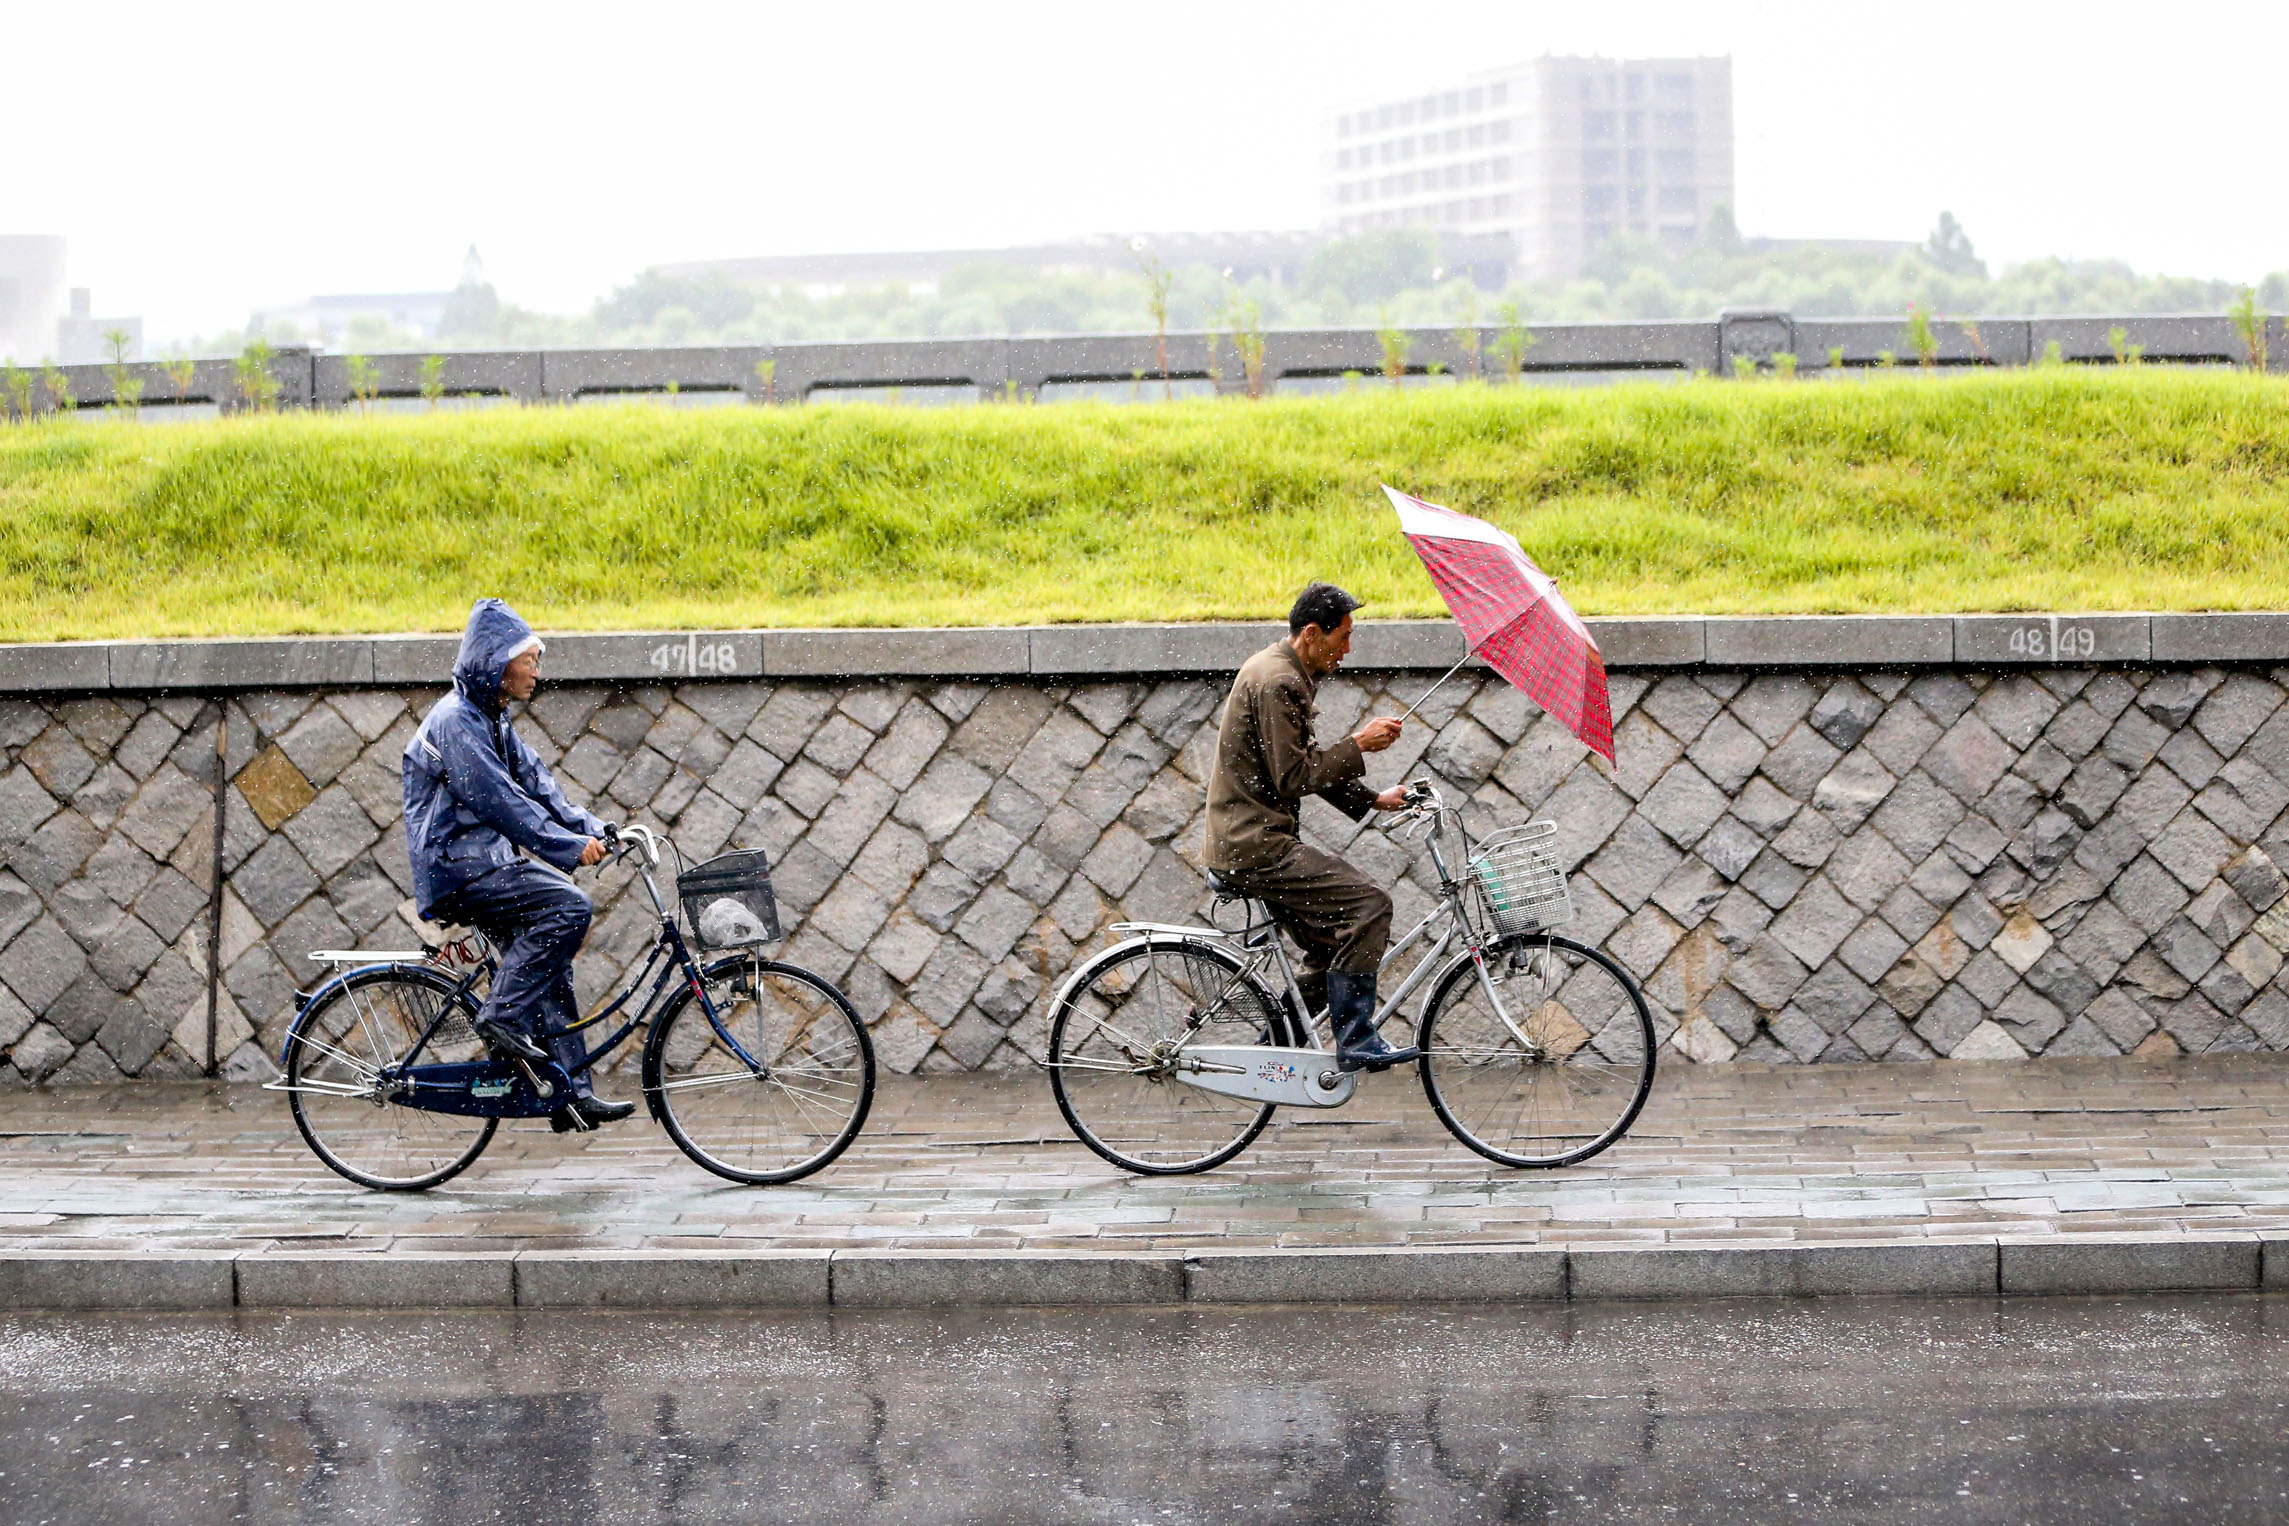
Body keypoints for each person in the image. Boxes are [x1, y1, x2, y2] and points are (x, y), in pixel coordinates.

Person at [402, 598, 635, 1131]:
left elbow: (538, 784)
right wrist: (568, 848)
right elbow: (501, 801)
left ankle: (567, 1092)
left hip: (484, 862)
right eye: (529, 659)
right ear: (497, 663)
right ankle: (502, 1019)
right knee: (568, 908)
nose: (536, 670)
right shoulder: (457, 723)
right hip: (459, 868)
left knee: (548, 960)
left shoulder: (491, 718)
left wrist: (593, 828)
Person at [1204, 582, 1421, 1072]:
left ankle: (1271, 1051)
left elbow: (1299, 763)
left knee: (1334, 944)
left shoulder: (1281, 670)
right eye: (1342, 637)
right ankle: (1357, 1040)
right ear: (1311, 633)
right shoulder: (1280, 682)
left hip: (1249, 840)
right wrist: (1359, 744)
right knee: (1370, 905)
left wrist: (1374, 799)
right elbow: (1294, 775)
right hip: (1255, 846)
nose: (1347, 649)